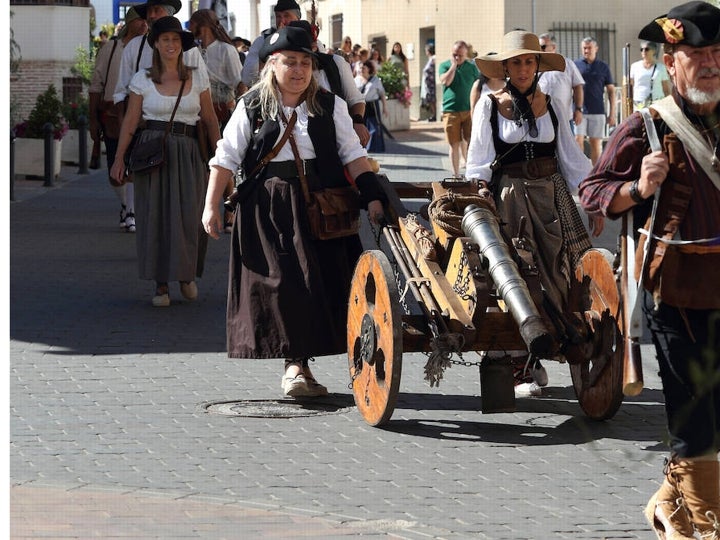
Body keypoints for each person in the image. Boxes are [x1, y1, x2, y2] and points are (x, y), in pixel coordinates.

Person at [578, 3, 720, 538]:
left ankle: (668, 502)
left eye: (717, 54)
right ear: (670, 61)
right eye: (696, 55)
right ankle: (704, 525)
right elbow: (591, 193)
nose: (709, 64)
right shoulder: (648, 125)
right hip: (676, 294)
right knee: (695, 415)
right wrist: (637, 189)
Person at [201, 26, 386, 398]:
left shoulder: (329, 105)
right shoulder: (252, 105)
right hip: (268, 209)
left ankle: (303, 364)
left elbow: (353, 155)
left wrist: (374, 196)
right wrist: (211, 205)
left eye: (305, 62)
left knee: (319, 286)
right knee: (285, 287)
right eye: (290, 62)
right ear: (273, 64)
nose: (299, 70)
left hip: (322, 207)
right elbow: (226, 157)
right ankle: (295, 366)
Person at [467, 31, 604, 396]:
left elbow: (570, 158)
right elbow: (478, 160)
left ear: (537, 65)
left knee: (559, 272)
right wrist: (481, 191)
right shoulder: (489, 104)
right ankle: (521, 364)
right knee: (518, 274)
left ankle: (557, 342)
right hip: (510, 196)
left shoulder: (553, 104)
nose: (524, 68)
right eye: (517, 62)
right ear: (506, 68)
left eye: (529, 61)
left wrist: (591, 198)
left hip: (552, 195)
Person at [109, 16, 221, 307]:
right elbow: (131, 122)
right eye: (165, 40)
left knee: (189, 215)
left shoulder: (197, 76)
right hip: (152, 153)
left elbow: (209, 119)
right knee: (154, 216)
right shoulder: (142, 79)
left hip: (189, 151)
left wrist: (222, 157)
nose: (170, 44)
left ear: (181, 45)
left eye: (175, 40)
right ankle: (160, 285)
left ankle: (185, 276)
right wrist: (119, 158)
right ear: (156, 45)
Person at [89, 6, 147, 231]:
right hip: (112, 115)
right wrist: (93, 118)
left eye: (146, 21)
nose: (144, 24)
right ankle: (126, 204)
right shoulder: (112, 48)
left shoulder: (150, 46)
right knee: (115, 171)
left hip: (140, 113)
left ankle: (131, 212)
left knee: (133, 164)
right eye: (139, 20)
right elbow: (96, 84)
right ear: (130, 22)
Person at [112, 0, 208, 112]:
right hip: (142, 124)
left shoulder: (189, 50)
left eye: (157, 10)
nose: (152, 15)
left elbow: (203, 89)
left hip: (181, 121)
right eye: (149, 11)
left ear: (169, 14)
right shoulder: (134, 46)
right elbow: (121, 92)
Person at [439, 40, 480, 177]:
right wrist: (453, 66)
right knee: (454, 144)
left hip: (469, 110)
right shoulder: (444, 65)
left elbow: (479, 85)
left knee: (471, 142)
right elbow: (446, 81)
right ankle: (456, 175)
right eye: (455, 54)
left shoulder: (472, 67)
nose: (457, 57)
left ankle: (470, 172)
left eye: (460, 56)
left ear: (465, 54)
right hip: (451, 111)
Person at [240, 0, 301, 88]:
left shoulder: (312, 42)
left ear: (297, 18)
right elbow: (247, 78)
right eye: (278, 16)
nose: (282, 21)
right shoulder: (261, 42)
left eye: (287, 16)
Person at [574, 36, 616, 165]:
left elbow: (611, 91)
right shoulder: (575, 65)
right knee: (577, 141)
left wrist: (612, 114)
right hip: (578, 111)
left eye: (589, 48)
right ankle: (580, 173)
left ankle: (596, 173)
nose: (586, 51)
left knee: (596, 143)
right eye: (584, 48)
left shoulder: (603, 66)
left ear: (596, 49)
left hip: (597, 111)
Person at [537, 33, 585, 132]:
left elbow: (577, 87)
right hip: (542, 118)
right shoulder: (535, 66)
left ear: (553, 47)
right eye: (538, 47)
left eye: (543, 47)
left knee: (568, 147)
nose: (540, 50)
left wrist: (578, 109)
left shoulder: (567, 64)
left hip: (564, 119)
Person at [355, 60, 388, 152]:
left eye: (363, 68)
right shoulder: (356, 80)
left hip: (373, 105)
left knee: (374, 126)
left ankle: (374, 148)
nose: (361, 70)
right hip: (361, 105)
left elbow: (382, 93)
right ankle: (362, 147)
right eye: (360, 68)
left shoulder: (375, 80)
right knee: (362, 126)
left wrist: (385, 107)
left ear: (369, 69)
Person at [630, 40, 671, 110]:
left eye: (646, 49)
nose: (643, 51)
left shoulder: (661, 68)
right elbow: (631, 86)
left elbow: (666, 89)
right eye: (641, 49)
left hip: (657, 104)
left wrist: (669, 105)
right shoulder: (635, 66)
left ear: (654, 51)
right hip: (639, 104)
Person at [469, 52, 504, 118]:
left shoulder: (507, 84)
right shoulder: (478, 84)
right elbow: (473, 108)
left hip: (502, 124)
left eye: (497, 65)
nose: (494, 68)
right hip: (483, 123)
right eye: (491, 65)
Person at [420, 44, 436, 122]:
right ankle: (433, 114)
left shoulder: (433, 58)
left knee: (432, 99)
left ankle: (434, 115)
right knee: (429, 99)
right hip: (428, 83)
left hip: (432, 83)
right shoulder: (430, 59)